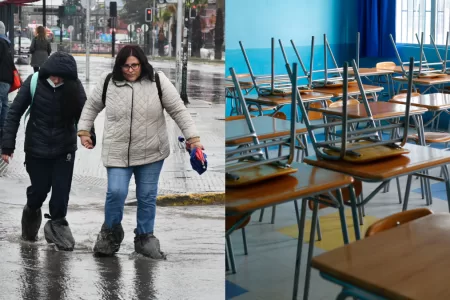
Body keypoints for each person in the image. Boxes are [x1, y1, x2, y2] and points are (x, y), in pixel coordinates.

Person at [77, 45, 203, 259]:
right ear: (119, 65)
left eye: (134, 65)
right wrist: (84, 131)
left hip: (151, 151)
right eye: (125, 66)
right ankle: (110, 233)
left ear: (142, 64)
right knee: (115, 192)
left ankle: (145, 238)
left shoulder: (158, 81)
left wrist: (193, 139)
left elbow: (178, 110)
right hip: (117, 152)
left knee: (146, 196)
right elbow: (90, 107)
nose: (130, 70)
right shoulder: (109, 82)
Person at [1, 51, 94, 251]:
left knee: (61, 193)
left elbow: (85, 115)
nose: (57, 79)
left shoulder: (74, 87)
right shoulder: (34, 82)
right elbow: (14, 112)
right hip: (36, 149)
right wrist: (7, 146)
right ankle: (30, 216)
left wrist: (88, 135)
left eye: (61, 76)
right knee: (39, 191)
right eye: (54, 74)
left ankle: (57, 226)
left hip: (64, 149)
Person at [0, 21, 15, 147]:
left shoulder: (0, 43)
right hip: (7, 79)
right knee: (4, 103)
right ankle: (3, 128)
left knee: (1, 102)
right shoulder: (6, 42)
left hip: (1, 78)